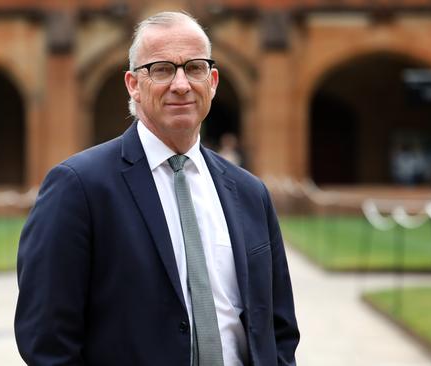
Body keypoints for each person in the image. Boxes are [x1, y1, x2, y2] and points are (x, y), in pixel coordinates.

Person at [15, 11, 299, 366]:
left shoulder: (250, 192)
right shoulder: (78, 187)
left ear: (212, 81)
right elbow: (46, 338)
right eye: (162, 69)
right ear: (133, 84)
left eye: (194, 68)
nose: (181, 84)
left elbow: (279, 328)